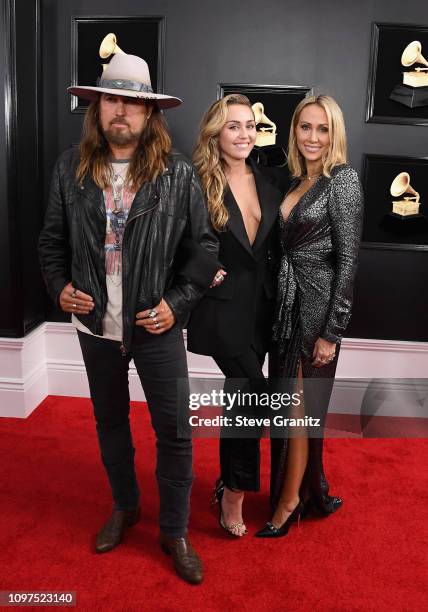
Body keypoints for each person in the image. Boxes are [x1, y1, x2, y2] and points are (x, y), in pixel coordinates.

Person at [38, 52, 219, 584]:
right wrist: (60, 287)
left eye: (133, 103)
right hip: (95, 328)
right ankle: (125, 506)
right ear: (97, 108)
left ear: (149, 114)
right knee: (110, 422)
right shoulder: (70, 168)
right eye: (112, 99)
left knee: (175, 432)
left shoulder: (178, 173)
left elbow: (204, 250)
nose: (122, 111)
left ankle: (175, 529)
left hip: (154, 326)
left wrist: (176, 304)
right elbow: (51, 242)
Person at [255, 94, 364, 537]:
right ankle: (301, 488)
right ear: (294, 130)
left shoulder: (343, 180)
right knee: (288, 406)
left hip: (317, 310)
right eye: (305, 127)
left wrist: (332, 331)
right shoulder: (294, 181)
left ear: (334, 134)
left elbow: (349, 262)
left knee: (299, 410)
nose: (313, 137)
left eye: (322, 129)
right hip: (285, 305)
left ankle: (289, 499)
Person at [187, 94, 283, 536]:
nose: (244, 134)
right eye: (233, 126)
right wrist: (207, 271)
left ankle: (230, 479)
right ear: (216, 133)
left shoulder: (268, 180)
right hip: (221, 310)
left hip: (261, 311)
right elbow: (175, 239)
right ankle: (235, 495)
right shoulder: (195, 180)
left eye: (250, 125)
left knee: (242, 399)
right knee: (255, 391)